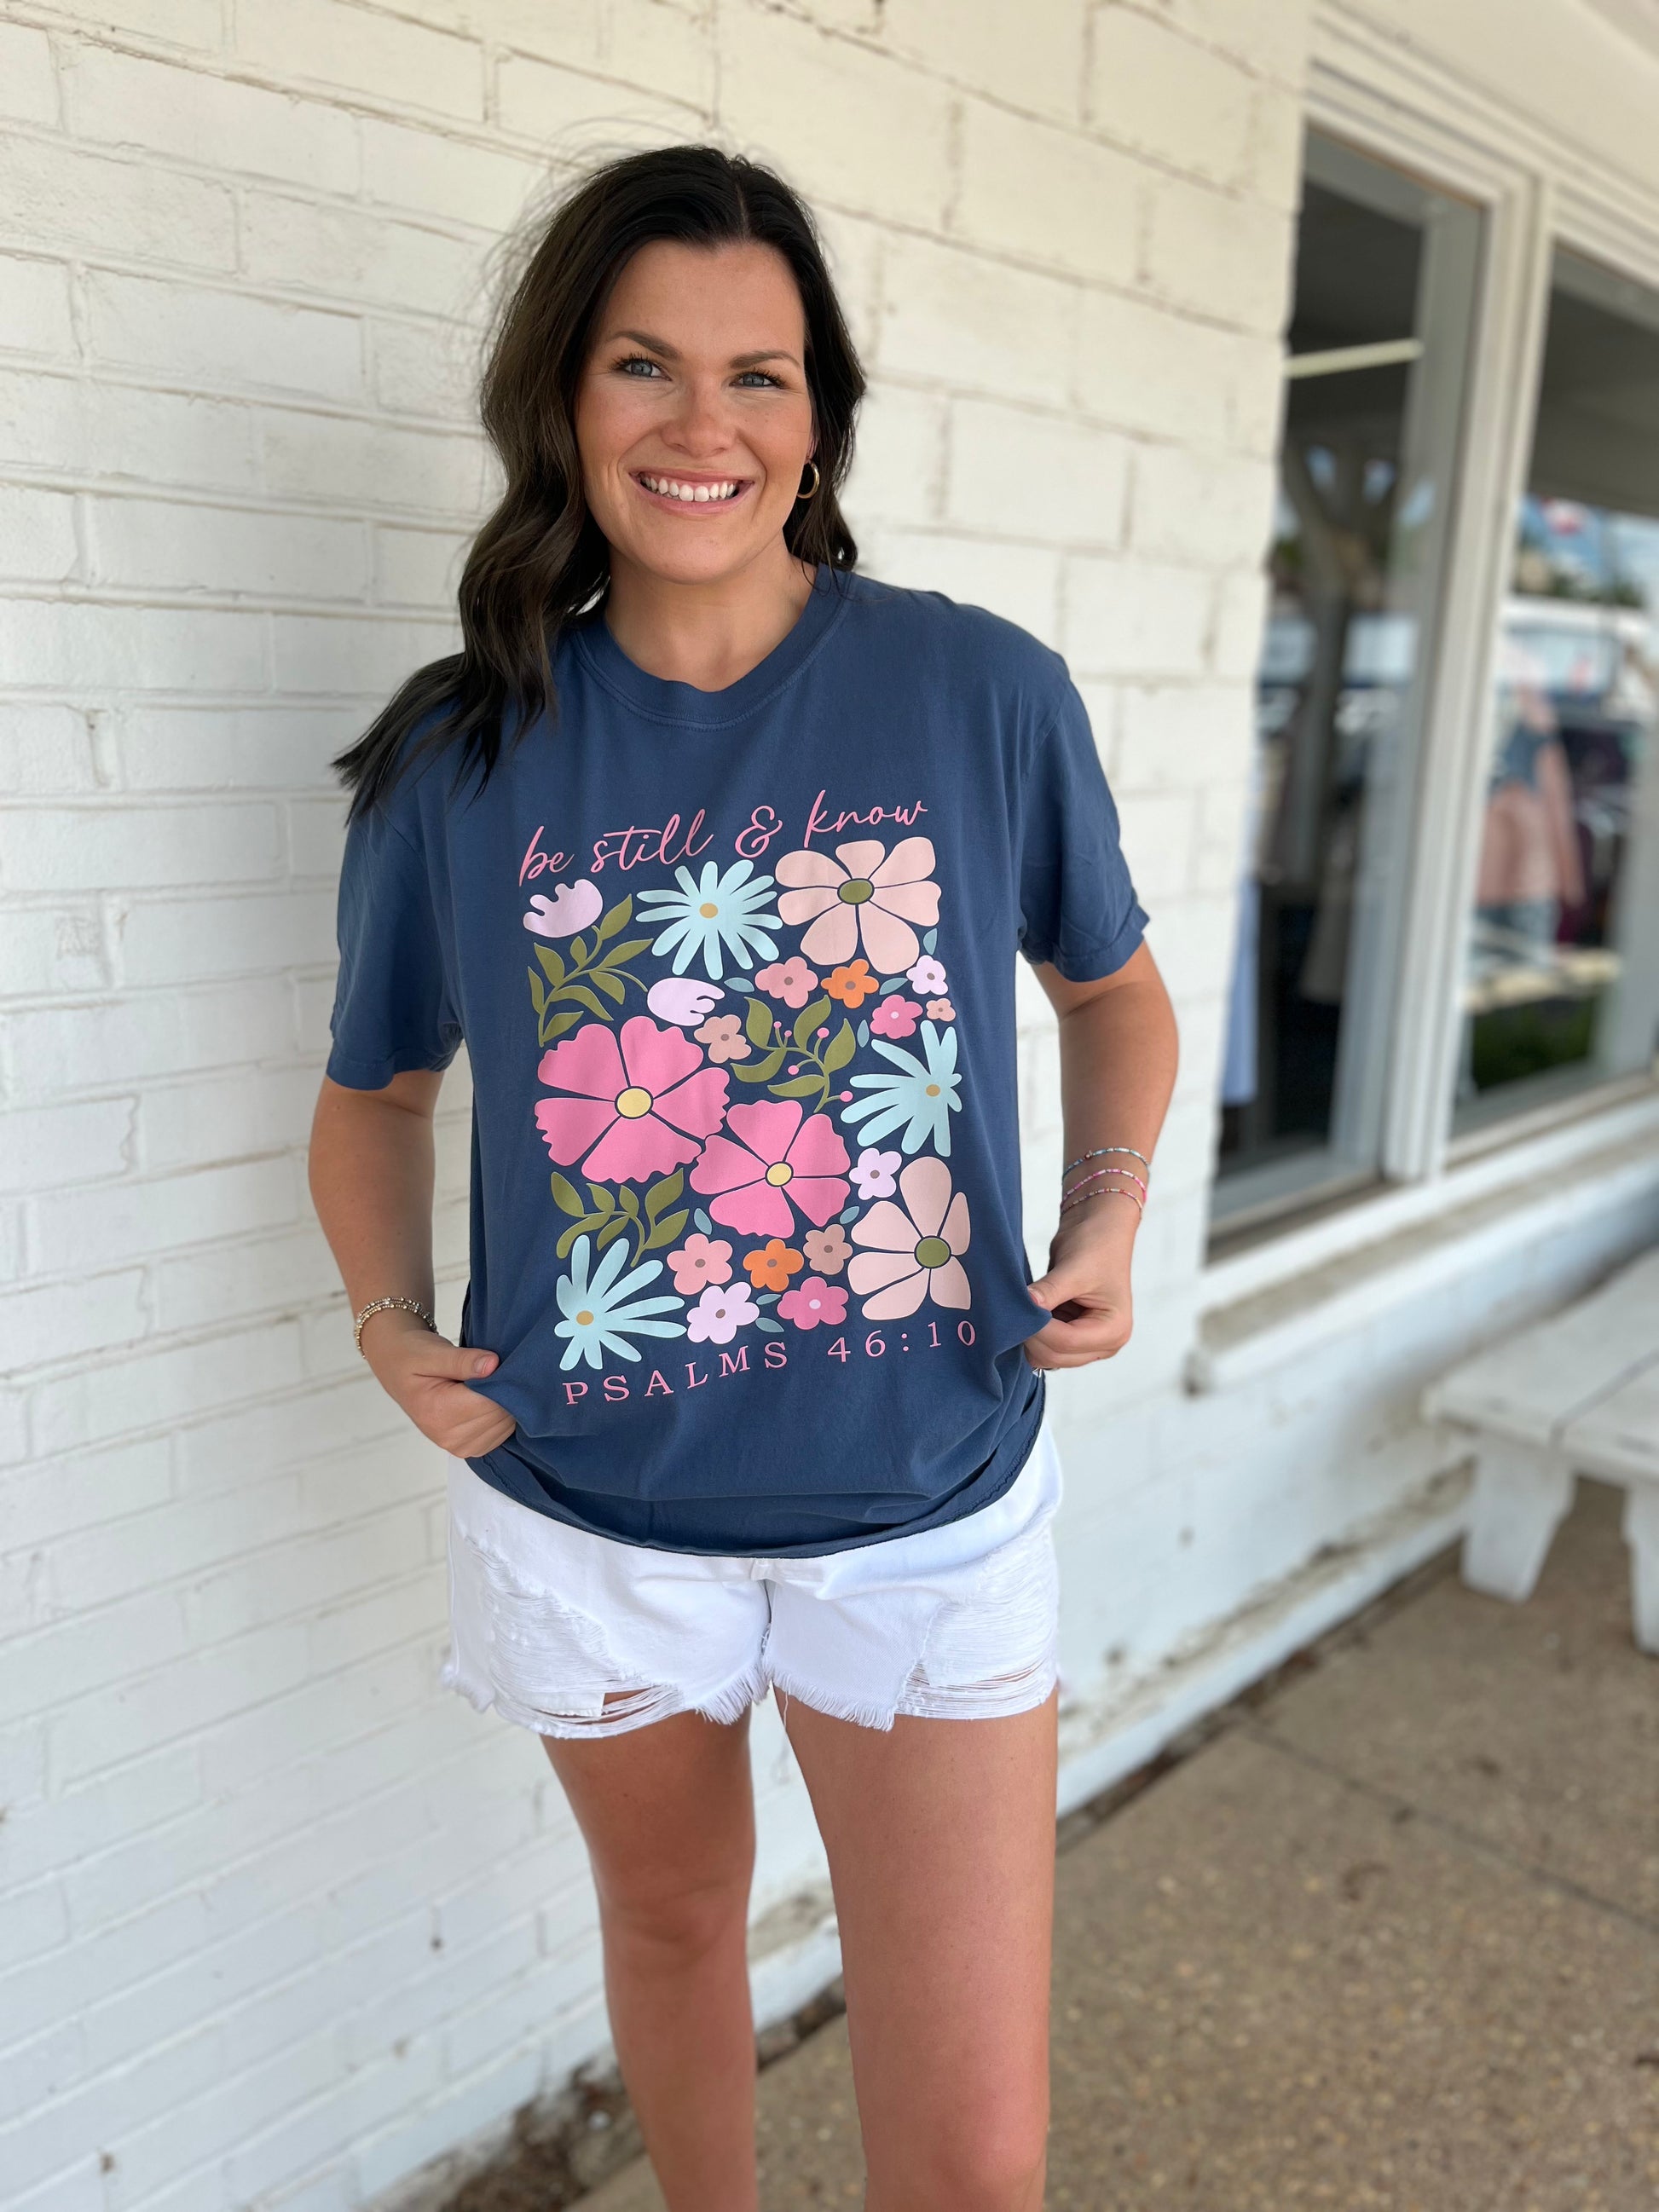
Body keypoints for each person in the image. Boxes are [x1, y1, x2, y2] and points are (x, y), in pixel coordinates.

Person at [309, 143, 1178, 2212]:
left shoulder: (974, 689)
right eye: (643, 363)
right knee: (677, 1925)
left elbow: (1113, 992)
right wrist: (386, 1323)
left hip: (926, 1503)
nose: (702, 422)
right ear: (562, 397)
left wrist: (1112, 1201)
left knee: (971, 2161)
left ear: (816, 415)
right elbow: (375, 1092)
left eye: (758, 373)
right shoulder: (458, 756)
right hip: (590, 1510)